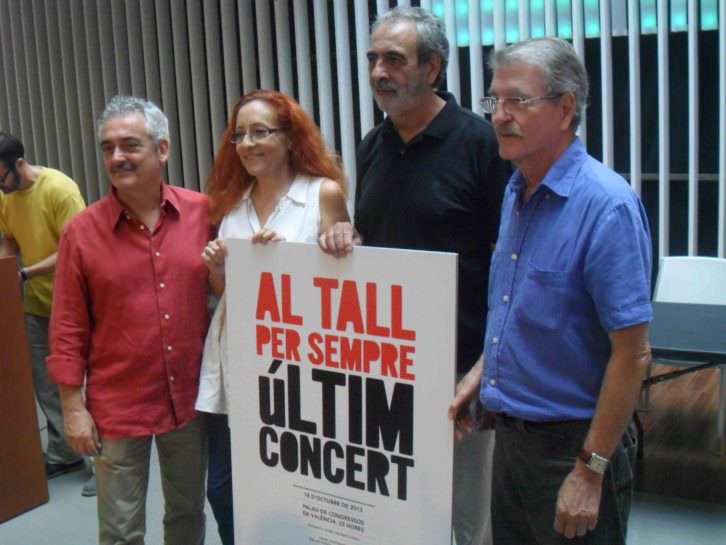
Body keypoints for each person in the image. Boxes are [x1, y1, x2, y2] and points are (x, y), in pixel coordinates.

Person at [448, 37, 653, 545]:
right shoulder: (516, 191)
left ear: (565, 109)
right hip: (511, 442)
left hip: (574, 447)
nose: (499, 115)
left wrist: (590, 471)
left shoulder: (606, 206)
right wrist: (481, 374)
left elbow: (633, 355)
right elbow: (513, 307)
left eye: (518, 100)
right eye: (495, 101)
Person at [318, 7, 509, 545]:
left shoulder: (482, 144)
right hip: (386, 368)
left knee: (470, 520)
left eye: (394, 59)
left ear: (432, 68)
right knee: (400, 513)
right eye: (373, 59)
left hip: (458, 370)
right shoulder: (372, 144)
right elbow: (376, 241)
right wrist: (346, 239)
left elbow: (507, 264)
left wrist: (483, 370)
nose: (379, 71)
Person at [47, 95, 211, 545]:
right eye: (108, 147)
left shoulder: (202, 213)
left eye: (130, 145)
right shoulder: (81, 232)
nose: (117, 157)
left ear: (162, 149)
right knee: (120, 530)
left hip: (189, 398)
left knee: (187, 515)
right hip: (117, 404)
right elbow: (66, 327)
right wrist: (72, 407)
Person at [196, 89, 350, 545]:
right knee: (224, 491)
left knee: (295, 494)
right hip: (238, 365)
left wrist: (290, 264)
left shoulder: (322, 194)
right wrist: (218, 270)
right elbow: (224, 293)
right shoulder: (232, 201)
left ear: (289, 137)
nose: (246, 143)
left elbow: (344, 286)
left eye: (260, 132)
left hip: (298, 373)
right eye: (239, 135)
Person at [0, 132, 89, 490]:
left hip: (76, 302)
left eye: (0, 174)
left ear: (18, 163)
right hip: (36, 303)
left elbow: (74, 251)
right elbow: (9, 239)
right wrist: (6, 273)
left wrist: (22, 273)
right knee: (46, 383)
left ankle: (101, 463)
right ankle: (64, 453)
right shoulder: (5, 198)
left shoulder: (59, 190)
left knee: (84, 384)